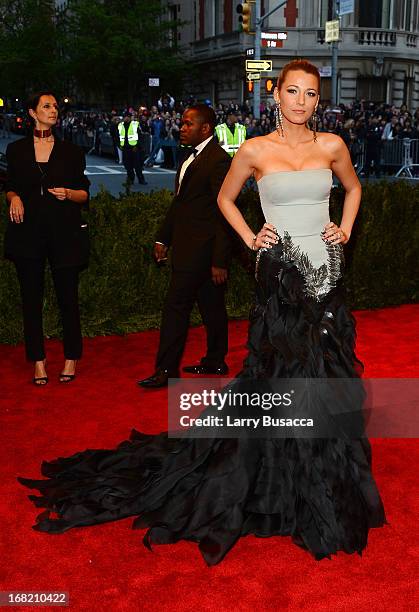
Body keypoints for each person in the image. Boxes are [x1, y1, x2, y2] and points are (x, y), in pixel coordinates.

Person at [19, 61, 385, 566]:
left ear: (318, 101)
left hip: (326, 275)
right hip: (280, 278)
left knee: (327, 376)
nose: (300, 101)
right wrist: (252, 239)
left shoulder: (333, 147)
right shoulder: (255, 150)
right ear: (275, 95)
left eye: (310, 94)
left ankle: (324, 480)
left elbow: (356, 188)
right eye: (292, 91)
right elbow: (225, 197)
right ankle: (277, 481)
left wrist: (343, 230)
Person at [138, 104, 232, 388]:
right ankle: (215, 360)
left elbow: (225, 212)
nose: (182, 127)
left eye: (189, 123)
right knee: (212, 307)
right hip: (189, 248)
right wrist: (162, 238)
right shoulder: (189, 157)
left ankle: (166, 371)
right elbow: (180, 204)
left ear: (205, 128)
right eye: (182, 123)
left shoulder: (219, 160)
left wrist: (220, 260)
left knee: (175, 308)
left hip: (202, 252)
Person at [5, 91, 90, 385]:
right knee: (31, 300)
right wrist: (13, 198)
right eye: (46, 106)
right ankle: (38, 362)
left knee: (69, 299)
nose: (53, 110)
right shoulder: (16, 151)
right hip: (27, 234)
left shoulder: (71, 152)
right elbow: (10, 185)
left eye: (55, 106)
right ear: (32, 113)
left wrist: (68, 194)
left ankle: (71, 357)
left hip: (64, 234)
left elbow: (84, 194)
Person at [118, 111, 147, 185]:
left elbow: (140, 137)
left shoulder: (135, 125)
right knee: (128, 166)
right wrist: (120, 146)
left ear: (130, 117)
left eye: (128, 116)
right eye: (125, 116)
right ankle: (131, 179)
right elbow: (118, 136)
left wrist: (138, 146)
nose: (126, 118)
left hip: (134, 148)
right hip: (125, 148)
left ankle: (141, 179)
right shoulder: (120, 125)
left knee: (137, 166)